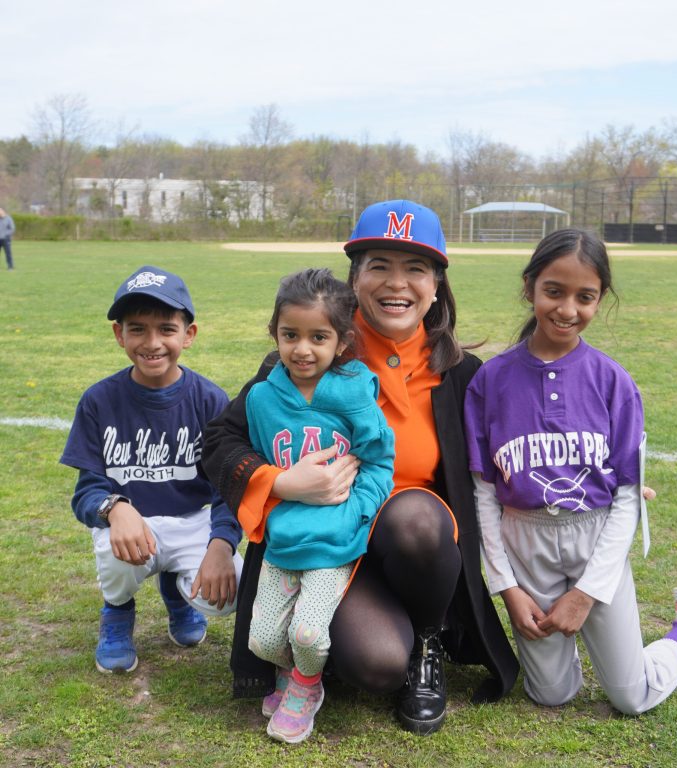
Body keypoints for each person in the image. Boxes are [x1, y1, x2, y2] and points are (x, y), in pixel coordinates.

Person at [202, 200, 519, 736]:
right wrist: (278, 481)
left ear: (437, 285)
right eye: (379, 265)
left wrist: (602, 481)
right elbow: (224, 439)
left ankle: (427, 639)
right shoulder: (309, 355)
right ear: (354, 280)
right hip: (329, 548)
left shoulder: (464, 374)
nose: (397, 283)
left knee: (413, 515)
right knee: (376, 665)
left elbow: (512, 450)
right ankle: (351, 646)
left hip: (421, 553)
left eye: (415, 268)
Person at [463, 228, 677, 715]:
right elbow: (483, 494)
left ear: (600, 299)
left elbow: (627, 497)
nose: (567, 309)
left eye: (585, 297)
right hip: (526, 543)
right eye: (554, 292)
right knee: (551, 694)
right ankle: (584, 645)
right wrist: (507, 588)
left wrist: (586, 595)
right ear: (530, 288)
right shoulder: (491, 381)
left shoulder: (613, 381)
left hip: (594, 539)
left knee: (632, 696)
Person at [60, 265, 243, 674]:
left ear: (188, 335)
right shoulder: (99, 401)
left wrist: (222, 545)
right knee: (112, 544)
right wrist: (114, 508)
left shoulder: (210, 400)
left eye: (166, 328)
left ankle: (177, 596)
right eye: (137, 329)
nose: (152, 342)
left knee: (231, 591)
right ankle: (118, 612)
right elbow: (86, 492)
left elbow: (227, 490)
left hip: (192, 521)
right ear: (119, 334)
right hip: (133, 524)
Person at [244, 267, 395, 743]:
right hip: (283, 540)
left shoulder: (354, 394)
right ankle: (294, 676)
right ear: (275, 334)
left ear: (342, 341)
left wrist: (359, 512)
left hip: (336, 540)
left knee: (309, 634)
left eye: (318, 337)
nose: (302, 349)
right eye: (290, 335)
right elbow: (264, 464)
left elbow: (379, 461)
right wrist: (279, 495)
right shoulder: (262, 399)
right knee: (263, 640)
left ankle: (307, 687)